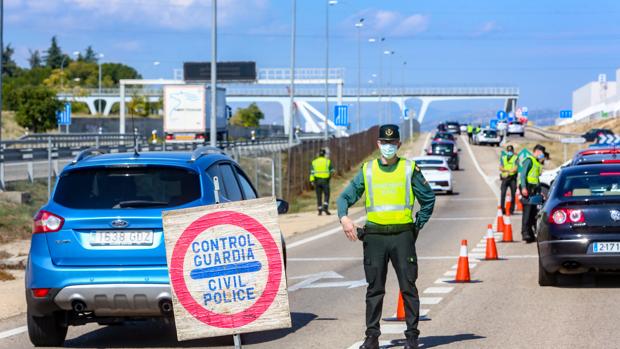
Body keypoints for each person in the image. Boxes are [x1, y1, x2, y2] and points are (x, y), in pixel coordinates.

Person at [337, 124, 436, 349]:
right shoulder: (368, 170)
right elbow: (344, 198)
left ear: (398, 144)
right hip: (375, 238)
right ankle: (372, 337)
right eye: (384, 142)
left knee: (408, 287)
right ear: (378, 144)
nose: (388, 146)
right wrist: (344, 218)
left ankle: (412, 336)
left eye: (392, 143)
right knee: (374, 289)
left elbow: (428, 199)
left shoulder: (409, 168)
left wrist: (416, 226)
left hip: (402, 236)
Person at [519, 144, 548, 243]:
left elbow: (536, 179)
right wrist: (523, 188)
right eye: (541, 153)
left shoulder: (537, 162)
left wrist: (541, 192)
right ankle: (525, 233)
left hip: (534, 190)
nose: (542, 155)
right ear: (537, 151)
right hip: (527, 189)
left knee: (533, 213)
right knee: (527, 213)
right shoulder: (529, 160)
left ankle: (531, 234)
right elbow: (523, 175)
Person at [310, 149, 335, 215]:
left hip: (317, 181)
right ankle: (325, 207)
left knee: (319, 195)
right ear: (324, 154)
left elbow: (312, 172)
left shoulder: (314, 162)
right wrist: (330, 175)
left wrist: (312, 181)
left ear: (318, 154)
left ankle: (320, 209)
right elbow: (332, 171)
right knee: (327, 194)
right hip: (325, 181)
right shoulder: (327, 161)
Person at [499, 145, 518, 215]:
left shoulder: (515, 158)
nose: (510, 152)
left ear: (513, 151)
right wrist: (508, 170)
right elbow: (500, 168)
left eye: (511, 151)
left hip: (512, 179)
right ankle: (502, 209)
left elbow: (515, 169)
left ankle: (511, 210)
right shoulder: (503, 158)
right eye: (508, 151)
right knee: (503, 194)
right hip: (505, 178)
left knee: (513, 195)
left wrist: (507, 171)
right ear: (507, 151)